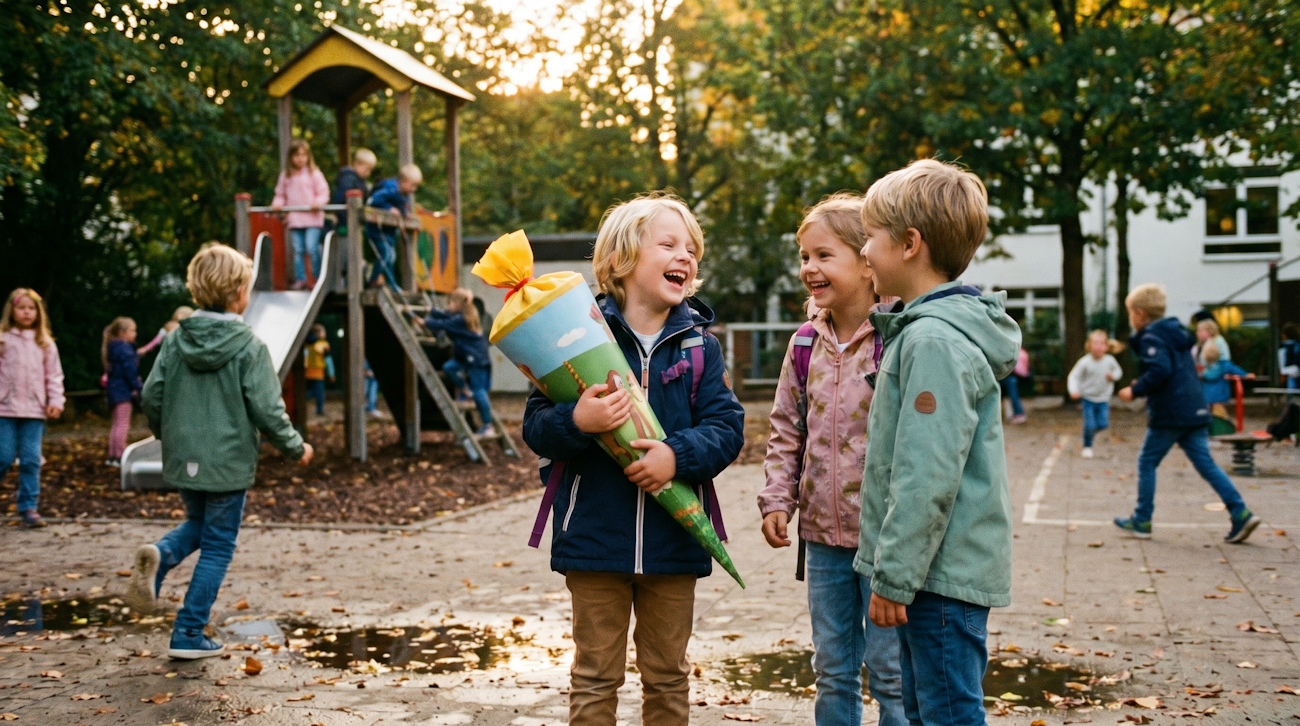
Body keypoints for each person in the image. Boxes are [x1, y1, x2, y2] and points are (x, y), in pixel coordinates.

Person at [523, 193, 745, 726]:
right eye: (668, 245)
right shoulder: (574, 337)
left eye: (692, 249)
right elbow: (536, 427)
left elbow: (727, 427)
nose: (685, 256)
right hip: (594, 542)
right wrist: (577, 422)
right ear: (621, 261)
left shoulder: (699, 347)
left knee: (668, 678)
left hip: (674, 542)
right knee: (595, 677)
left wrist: (677, 454)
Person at [854, 159, 1021, 726]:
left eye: (869, 238)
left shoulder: (932, 341)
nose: (863, 253)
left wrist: (894, 577)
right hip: (930, 574)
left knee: (946, 713)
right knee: (927, 709)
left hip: (934, 579)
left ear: (908, 244)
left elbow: (925, 473)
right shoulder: (922, 331)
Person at [758, 194, 905, 726]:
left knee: (891, 672)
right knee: (833, 668)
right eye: (804, 256)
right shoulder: (804, 344)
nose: (808, 268)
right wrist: (777, 497)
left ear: (868, 262)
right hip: (821, 540)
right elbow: (785, 428)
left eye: (823, 255)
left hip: (884, 541)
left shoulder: (897, 339)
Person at [126, 243, 311, 659]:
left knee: (198, 521)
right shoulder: (249, 346)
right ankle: (189, 632)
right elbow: (267, 407)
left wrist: (169, 435)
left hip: (185, 455)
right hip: (227, 460)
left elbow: (152, 395)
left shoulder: (175, 342)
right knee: (219, 542)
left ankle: (161, 554)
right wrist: (295, 447)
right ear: (239, 292)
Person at [1115, 283, 1261, 543]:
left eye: (1130, 314)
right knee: (1206, 464)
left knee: (1147, 461)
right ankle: (1240, 512)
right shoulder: (1176, 333)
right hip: (1195, 407)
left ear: (1139, 314)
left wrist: (1135, 389)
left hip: (1172, 412)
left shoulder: (1152, 337)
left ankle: (1142, 519)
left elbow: (1160, 370)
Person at [0, 288, 65, 528]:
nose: (26, 313)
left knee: (31, 459)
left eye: (31, 308)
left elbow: (54, 375)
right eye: (21, 308)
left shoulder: (45, 343)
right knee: (3, 457)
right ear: (12, 310)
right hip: (4, 410)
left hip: (34, 411)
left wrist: (56, 401)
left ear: (38, 313)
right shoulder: (3, 339)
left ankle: (28, 506)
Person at [418, 288, 493, 435]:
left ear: (457, 304)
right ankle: (465, 389)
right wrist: (432, 310)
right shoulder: (463, 313)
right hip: (466, 356)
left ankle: (488, 425)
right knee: (449, 367)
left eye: (450, 303)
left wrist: (425, 321)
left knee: (479, 392)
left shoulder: (461, 319)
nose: (448, 306)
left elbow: (444, 324)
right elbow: (445, 315)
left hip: (476, 358)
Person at [271, 139, 330, 290]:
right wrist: (278, 204)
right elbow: (280, 194)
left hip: (312, 219)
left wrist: (318, 202)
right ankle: (301, 279)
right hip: (295, 219)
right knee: (298, 250)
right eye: (297, 155)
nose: (300, 158)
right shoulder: (286, 175)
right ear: (291, 157)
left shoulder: (314, 173)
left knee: (312, 248)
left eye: (304, 155)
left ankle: (316, 278)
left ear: (308, 157)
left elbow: (324, 192)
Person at [1067, 330, 1123, 458]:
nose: (1099, 346)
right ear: (1089, 345)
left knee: (1103, 424)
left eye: (1102, 343)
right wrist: (1073, 390)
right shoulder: (1084, 362)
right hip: (1088, 399)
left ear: (1106, 346)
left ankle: (1089, 432)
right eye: (1095, 343)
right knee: (1090, 424)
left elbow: (1119, 372)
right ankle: (1087, 446)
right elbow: (1073, 377)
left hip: (1104, 399)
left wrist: (1113, 376)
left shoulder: (1110, 360)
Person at [366, 164, 423, 288]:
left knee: (391, 256)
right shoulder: (391, 188)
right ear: (403, 182)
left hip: (389, 231)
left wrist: (405, 213)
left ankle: (391, 283)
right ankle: (373, 279)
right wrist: (388, 208)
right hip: (377, 229)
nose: (414, 189)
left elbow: (402, 206)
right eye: (412, 185)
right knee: (386, 254)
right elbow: (374, 200)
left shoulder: (404, 194)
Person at [103, 316, 140, 467]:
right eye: (132, 330)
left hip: (113, 390)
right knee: (123, 424)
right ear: (121, 332)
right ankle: (119, 455)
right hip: (122, 391)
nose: (135, 334)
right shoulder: (125, 349)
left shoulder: (112, 348)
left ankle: (112, 455)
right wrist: (137, 387)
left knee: (116, 423)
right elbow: (130, 371)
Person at [328, 147, 376, 232]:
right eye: (367, 169)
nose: (368, 173)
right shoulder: (347, 178)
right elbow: (340, 198)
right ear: (357, 164)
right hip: (345, 218)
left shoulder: (362, 182)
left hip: (356, 217)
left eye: (370, 170)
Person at [303, 323, 334, 417]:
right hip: (318, 371)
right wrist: (331, 373)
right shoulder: (324, 344)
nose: (325, 333)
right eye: (323, 331)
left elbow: (305, 355)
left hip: (307, 371)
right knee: (319, 392)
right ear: (319, 333)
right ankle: (319, 410)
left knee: (311, 390)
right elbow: (328, 360)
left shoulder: (306, 343)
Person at [1004, 346, 1029, 424]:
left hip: (1013, 376)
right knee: (1013, 395)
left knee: (1013, 395)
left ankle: (1019, 414)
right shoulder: (1024, 352)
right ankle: (1017, 413)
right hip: (1021, 377)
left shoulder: (1015, 353)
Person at [1279, 322, 1300, 390]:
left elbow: (1282, 360)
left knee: (1291, 393)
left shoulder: (1284, 346)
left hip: (1290, 373)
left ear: (1285, 335)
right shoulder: (1297, 344)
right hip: (1296, 371)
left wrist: (1282, 373)